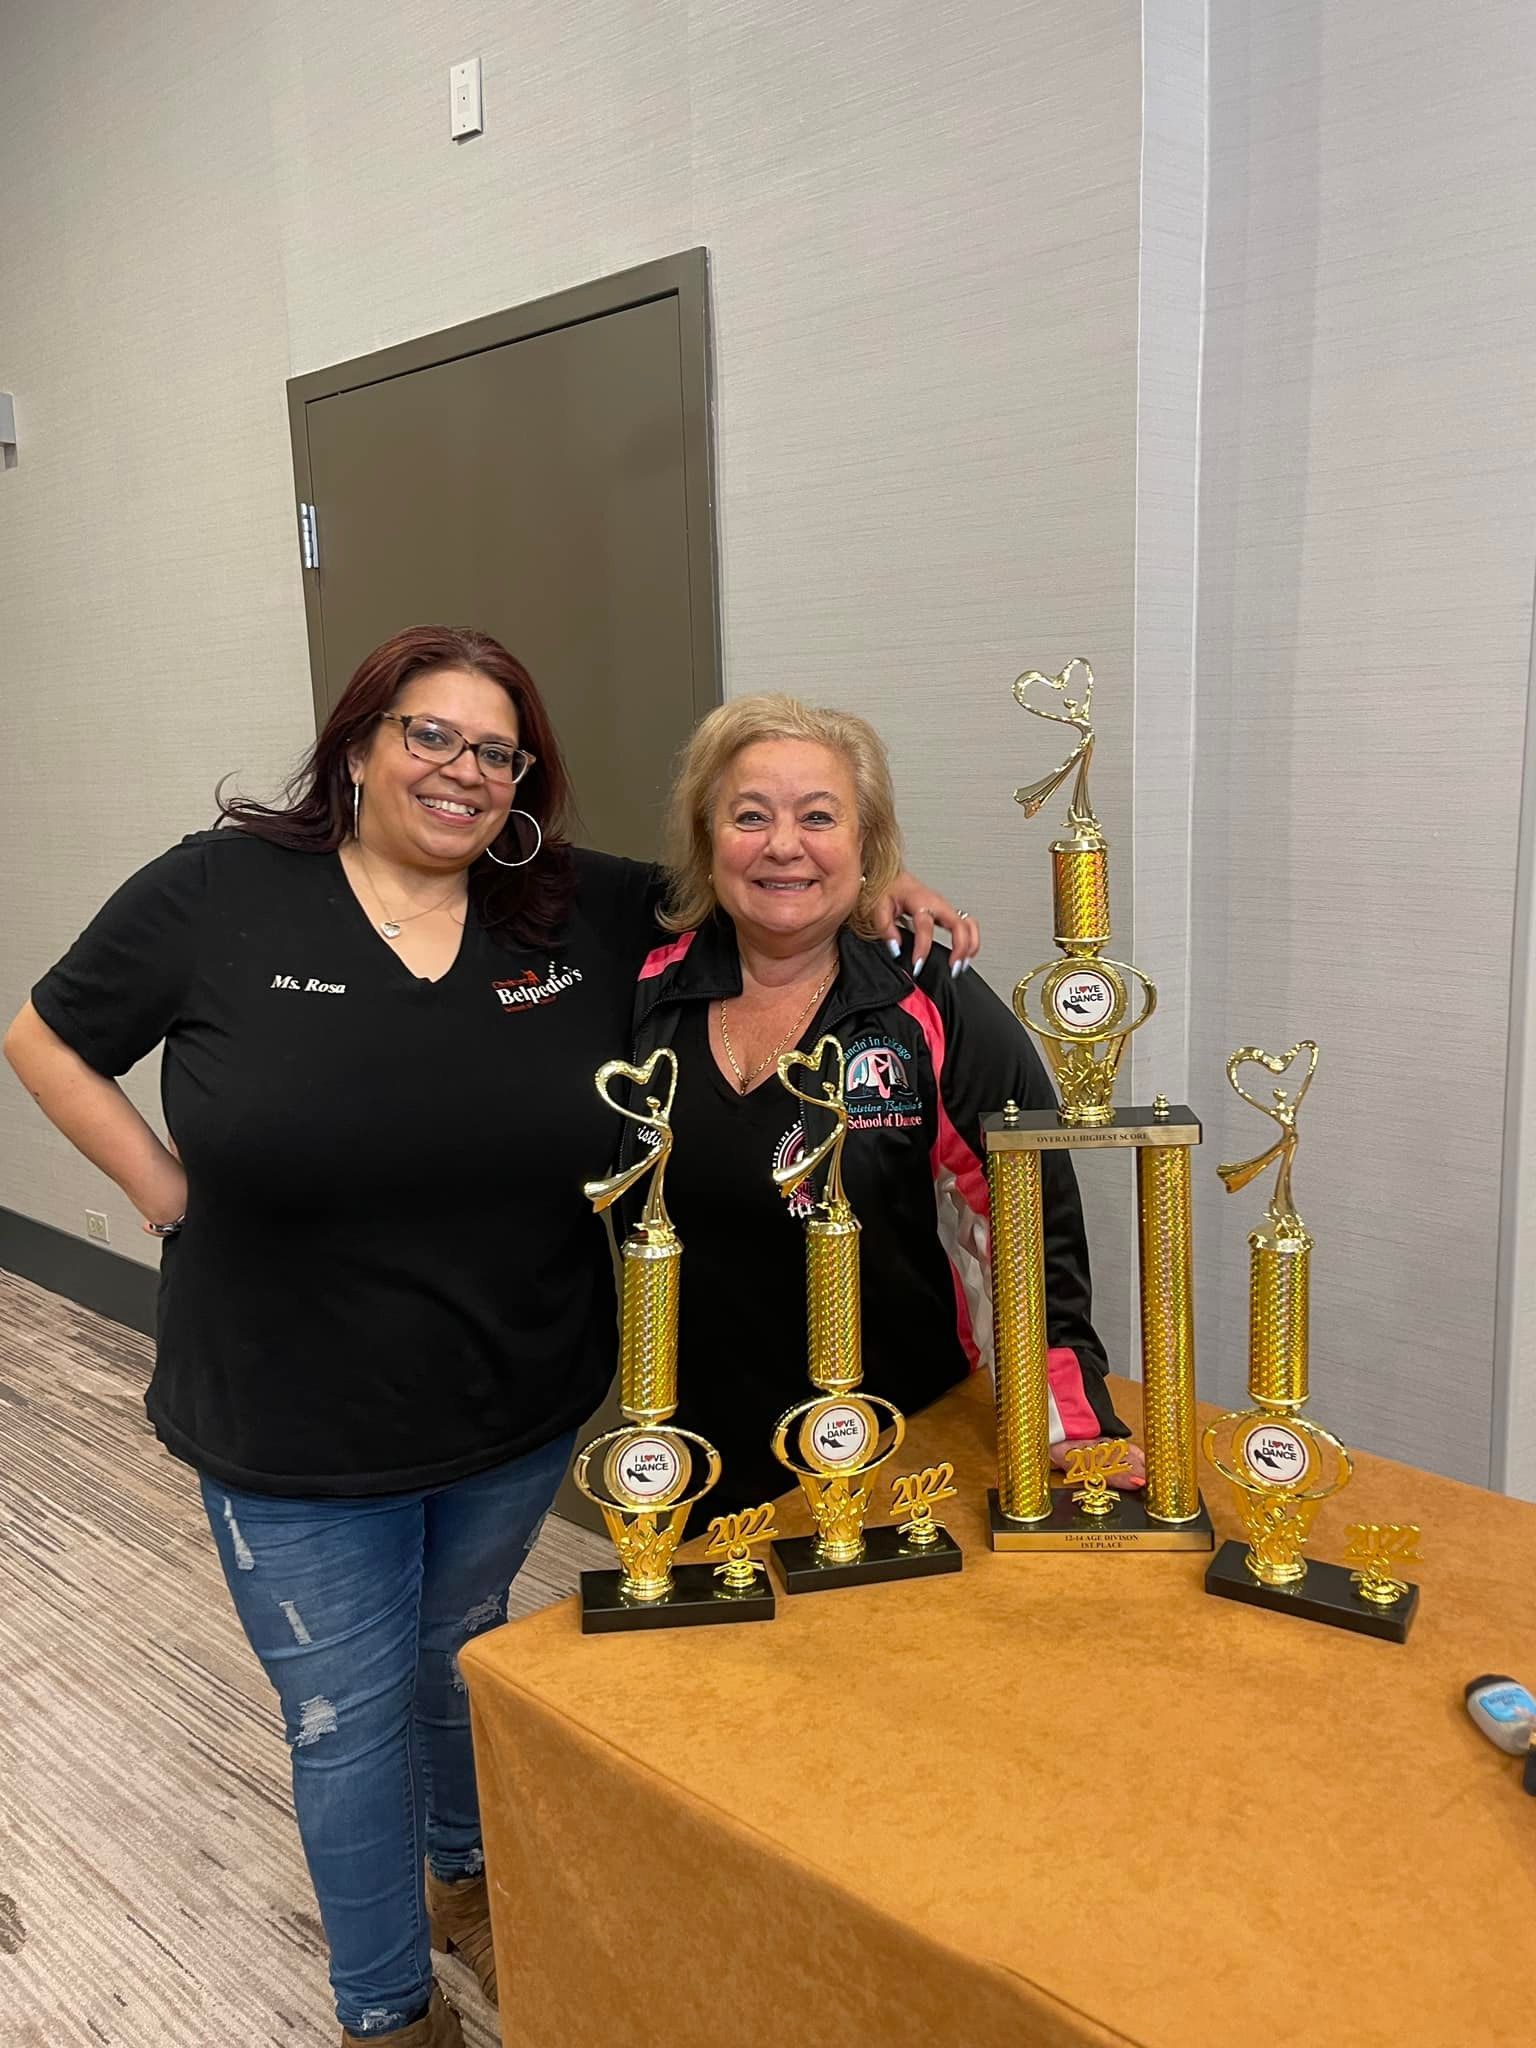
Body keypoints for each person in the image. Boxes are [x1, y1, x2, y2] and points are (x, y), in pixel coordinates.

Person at [2, 628, 976, 2048]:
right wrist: (166, 1195)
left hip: (513, 1401)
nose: (461, 771)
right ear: (359, 743)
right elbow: (45, 1036)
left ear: (523, 778)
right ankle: (390, 2012)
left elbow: (756, 878)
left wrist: (877, 881)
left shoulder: (562, 908)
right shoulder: (220, 891)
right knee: (348, 1722)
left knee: (463, 1650)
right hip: (291, 1416)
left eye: (495, 749)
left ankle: (471, 1883)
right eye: (428, 734)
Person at [619, 693, 1145, 1515]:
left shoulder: (937, 1002)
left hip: (907, 1447)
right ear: (706, 837)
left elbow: (1029, 1227)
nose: (784, 845)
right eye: (750, 816)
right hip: (691, 1455)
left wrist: (1069, 1426)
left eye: (820, 817)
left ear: (868, 843)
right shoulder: (642, 985)